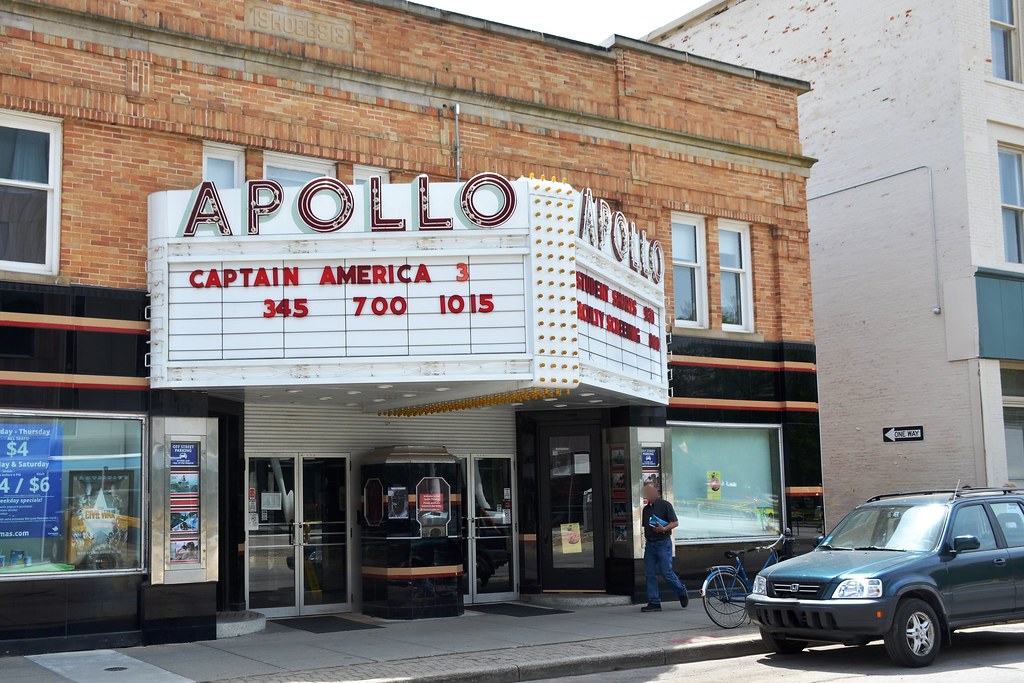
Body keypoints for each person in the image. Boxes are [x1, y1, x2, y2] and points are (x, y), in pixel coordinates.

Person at [640, 483, 688, 612]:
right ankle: (654, 602)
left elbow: (675, 522)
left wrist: (664, 528)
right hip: (650, 544)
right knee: (649, 574)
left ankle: (681, 590)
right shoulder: (646, 509)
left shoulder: (665, 505)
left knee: (666, 572)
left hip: (663, 542)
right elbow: (646, 525)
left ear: (656, 492)